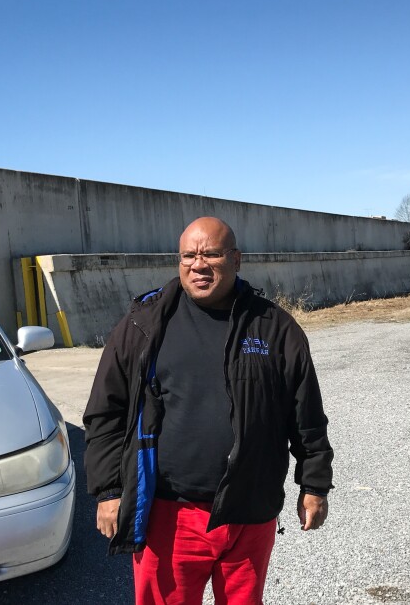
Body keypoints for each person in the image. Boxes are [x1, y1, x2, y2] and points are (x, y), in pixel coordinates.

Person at [83, 216, 334, 605]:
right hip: (169, 514)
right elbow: (105, 412)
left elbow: (306, 414)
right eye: (188, 256)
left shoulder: (274, 328)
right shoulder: (143, 325)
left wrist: (314, 484)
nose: (198, 265)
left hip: (249, 511)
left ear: (236, 259)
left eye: (211, 254)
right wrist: (108, 490)